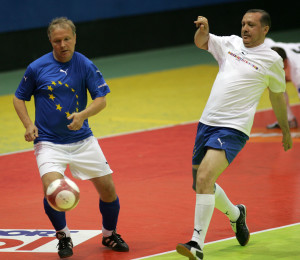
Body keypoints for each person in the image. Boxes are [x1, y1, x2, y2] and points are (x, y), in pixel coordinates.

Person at [176, 9, 292, 260]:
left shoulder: (271, 59)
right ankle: (236, 214)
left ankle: (196, 243)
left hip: (233, 128)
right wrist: (203, 30)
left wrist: (284, 128)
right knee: (201, 184)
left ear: (265, 30)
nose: (245, 29)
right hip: (206, 123)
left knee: (206, 176)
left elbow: (277, 95)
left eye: (251, 25)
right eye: (243, 24)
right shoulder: (230, 43)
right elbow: (201, 42)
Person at [13, 17, 129, 258]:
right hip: (48, 142)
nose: (62, 44)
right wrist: (28, 125)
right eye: (57, 41)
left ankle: (109, 234)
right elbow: (18, 98)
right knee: (52, 189)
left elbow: (101, 99)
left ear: (75, 38)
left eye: (67, 39)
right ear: (50, 41)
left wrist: (83, 115)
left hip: (83, 140)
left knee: (108, 191)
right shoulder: (37, 68)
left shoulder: (85, 65)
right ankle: (64, 236)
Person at [264, 38, 300, 129]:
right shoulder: (269, 48)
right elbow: (265, 39)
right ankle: (289, 119)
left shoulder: (298, 73)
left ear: (285, 62)